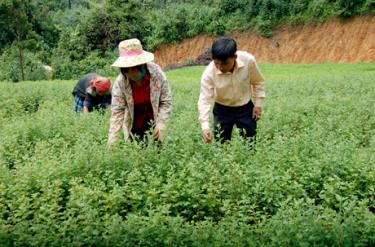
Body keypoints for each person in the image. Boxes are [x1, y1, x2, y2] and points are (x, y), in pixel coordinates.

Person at [198, 37, 265, 144]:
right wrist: (205, 126)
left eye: (224, 63)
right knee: (221, 144)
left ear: (234, 57)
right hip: (222, 110)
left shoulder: (248, 61)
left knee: (250, 143)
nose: (220, 67)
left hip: (245, 109)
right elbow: (204, 100)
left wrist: (258, 104)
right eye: (216, 63)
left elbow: (258, 82)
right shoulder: (209, 73)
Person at [108, 38, 172, 146]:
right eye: (126, 69)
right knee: (137, 150)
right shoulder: (121, 83)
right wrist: (112, 141)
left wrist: (161, 124)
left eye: (134, 68)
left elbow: (166, 101)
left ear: (142, 64)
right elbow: (117, 112)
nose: (131, 73)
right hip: (135, 124)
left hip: (155, 120)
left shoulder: (156, 74)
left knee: (158, 150)